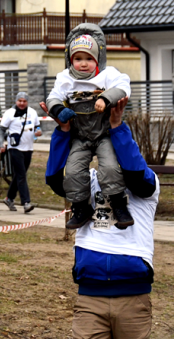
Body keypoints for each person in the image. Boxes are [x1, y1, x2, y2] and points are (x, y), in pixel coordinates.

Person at [44, 97, 159, 339]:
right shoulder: (90, 185)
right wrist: (64, 133)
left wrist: (116, 128)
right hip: (90, 301)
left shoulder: (146, 188)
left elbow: (135, 171)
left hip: (133, 302)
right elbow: (56, 179)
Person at [45, 23, 133, 230]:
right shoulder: (64, 78)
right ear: (70, 60)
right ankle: (80, 207)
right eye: (78, 59)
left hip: (104, 134)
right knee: (74, 171)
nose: (83, 64)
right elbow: (53, 98)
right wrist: (59, 110)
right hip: (80, 136)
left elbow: (123, 86)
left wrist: (106, 98)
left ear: (97, 60)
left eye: (88, 59)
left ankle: (119, 205)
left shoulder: (107, 74)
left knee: (110, 167)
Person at [0, 92, 41, 214]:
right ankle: (26, 203)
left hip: (28, 148)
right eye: (19, 101)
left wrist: (38, 132)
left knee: (18, 174)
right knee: (21, 174)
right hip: (15, 148)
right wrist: (1, 144)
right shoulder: (9, 113)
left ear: (27, 102)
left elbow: (37, 127)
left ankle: (9, 198)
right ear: (16, 101)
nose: (22, 103)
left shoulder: (32, 112)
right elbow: (1, 130)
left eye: (24, 101)